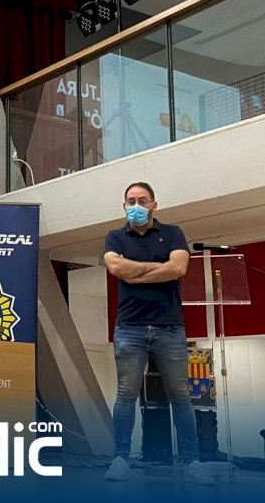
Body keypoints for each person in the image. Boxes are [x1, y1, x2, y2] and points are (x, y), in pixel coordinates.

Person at [102, 182, 215, 486]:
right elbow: (115, 268)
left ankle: (192, 461)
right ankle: (120, 459)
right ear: (124, 205)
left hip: (170, 327)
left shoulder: (173, 233)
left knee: (181, 394)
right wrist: (158, 268)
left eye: (143, 200)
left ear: (154, 204)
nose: (136, 206)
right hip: (129, 327)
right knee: (126, 393)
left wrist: (135, 272)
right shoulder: (115, 236)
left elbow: (178, 268)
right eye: (131, 201)